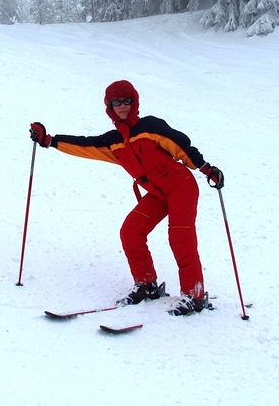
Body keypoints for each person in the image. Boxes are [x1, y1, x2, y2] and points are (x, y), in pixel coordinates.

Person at [29, 80, 223, 316]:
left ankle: (195, 295)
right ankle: (147, 285)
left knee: (180, 237)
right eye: (116, 103)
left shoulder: (149, 127)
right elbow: (85, 144)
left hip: (180, 186)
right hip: (157, 193)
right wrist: (48, 140)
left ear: (135, 101)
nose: (123, 107)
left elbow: (181, 145)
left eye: (127, 101)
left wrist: (206, 169)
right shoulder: (114, 142)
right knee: (131, 231)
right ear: (109, 107)